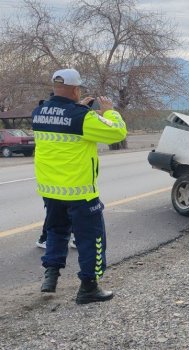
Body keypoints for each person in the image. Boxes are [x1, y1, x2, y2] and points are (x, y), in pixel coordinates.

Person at [32, 68, 127, 304]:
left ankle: (50, 279)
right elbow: (117, 133)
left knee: (56, 231)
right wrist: (110, 112)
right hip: (80, 192)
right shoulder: (83, 117)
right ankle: (88, 287)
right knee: (92, 238)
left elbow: (63, 120)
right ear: (76, 90)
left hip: (51, 190)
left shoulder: (39, 112)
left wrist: (80, 107)